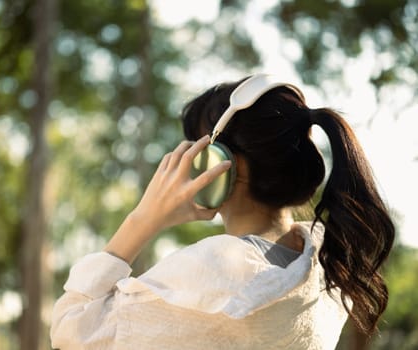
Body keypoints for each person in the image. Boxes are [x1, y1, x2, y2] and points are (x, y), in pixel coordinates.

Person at [50, 74, 395, 349]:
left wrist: (143, 218)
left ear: (221, 163)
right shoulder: (326, 263)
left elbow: (72, 331)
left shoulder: (216, 269)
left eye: (196, 150)